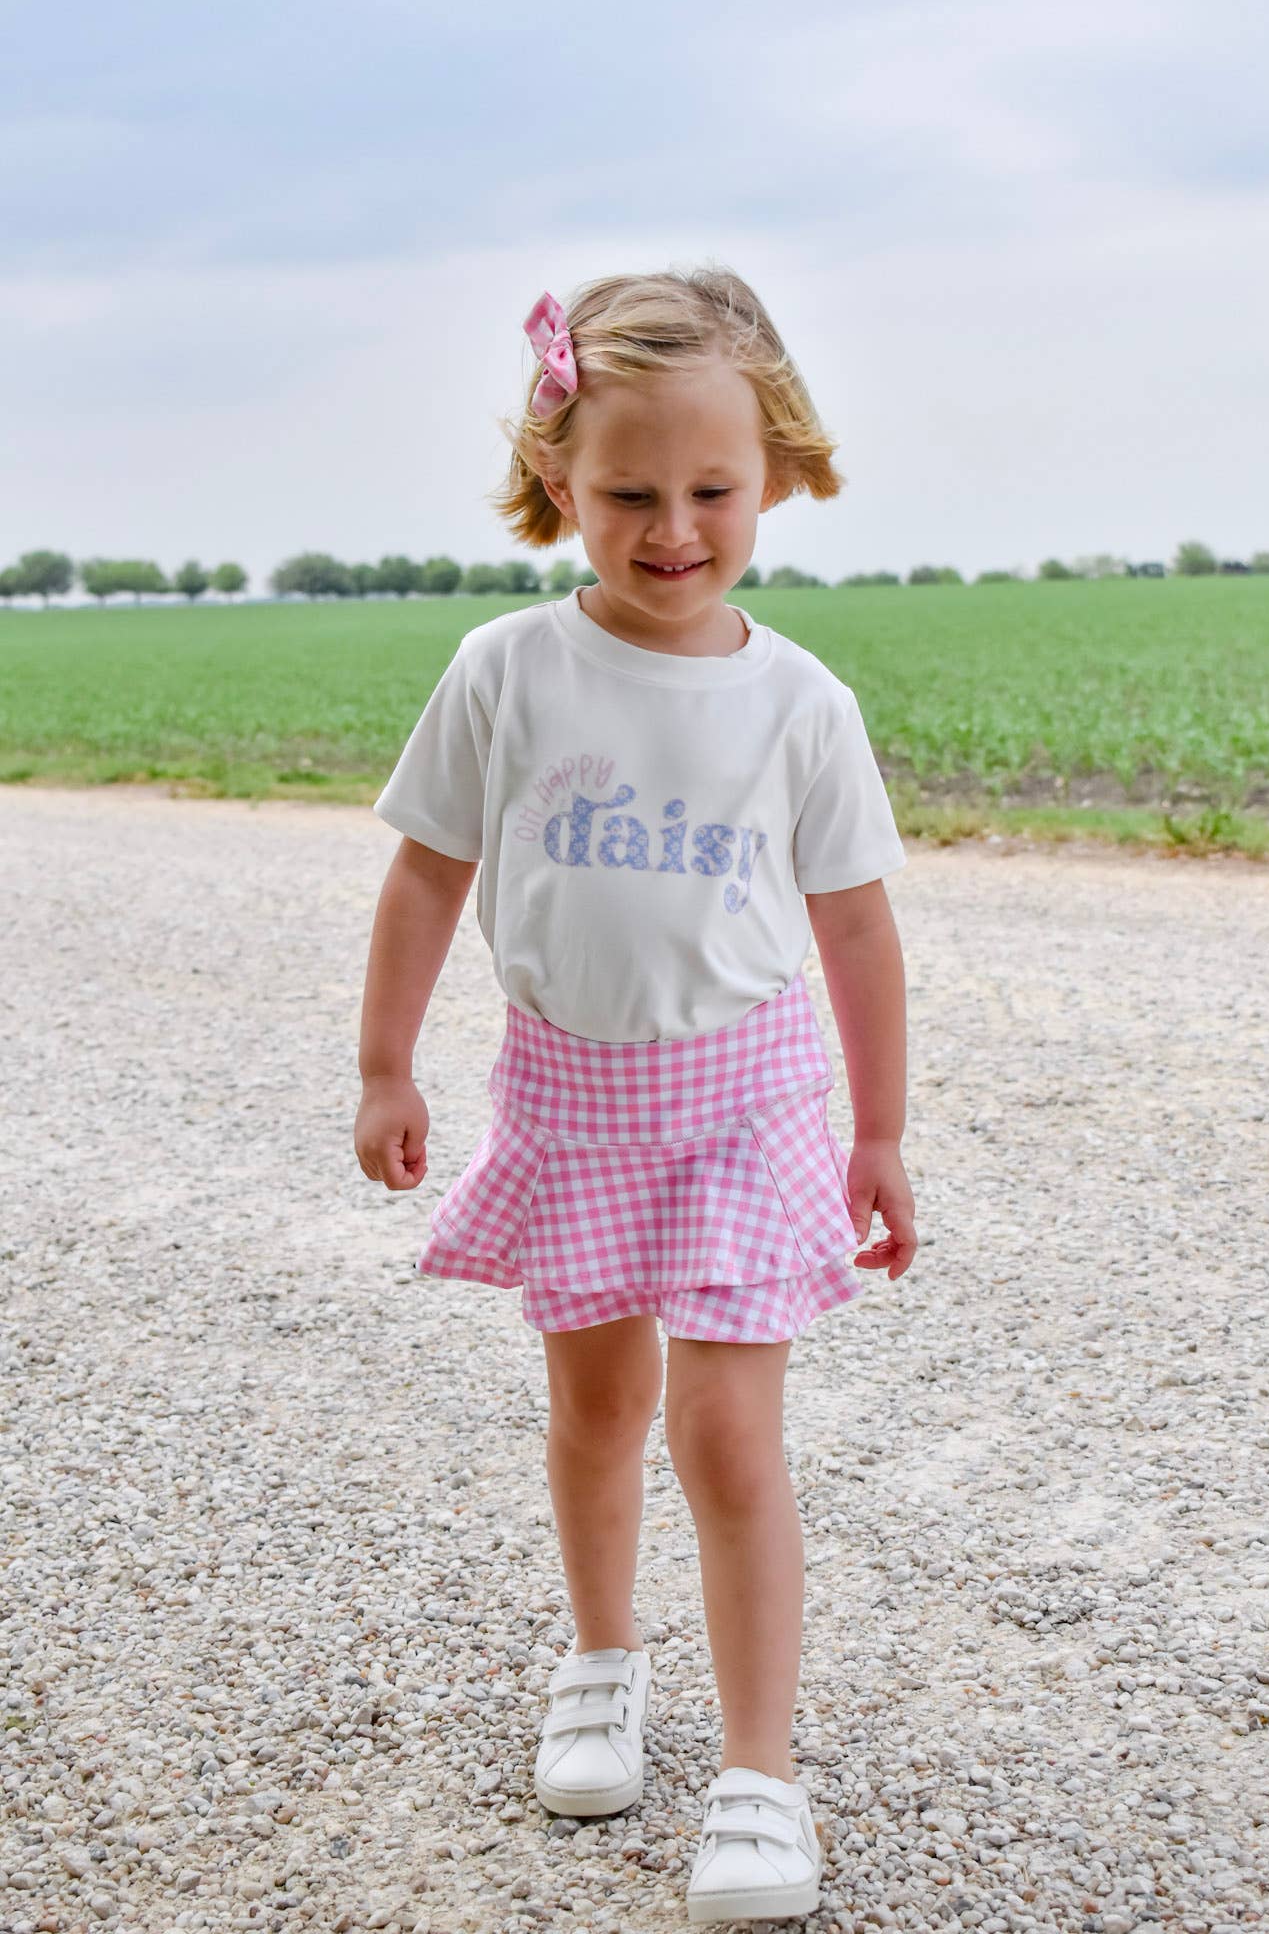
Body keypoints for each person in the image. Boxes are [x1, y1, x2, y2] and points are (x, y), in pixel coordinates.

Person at [354, 266, 918, 1926]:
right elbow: (423, 876)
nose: (671, 527)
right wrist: (385, 1062)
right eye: (626, 493)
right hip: (569, 1100)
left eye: (709, 491)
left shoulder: (799, 704)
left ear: (778, 475)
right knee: (596, 1414)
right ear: (558, 483)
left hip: (748, 1107)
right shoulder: (507, 671)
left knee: (729, 1436)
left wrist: (875, 1132)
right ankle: (602, 1659)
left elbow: (856, 925)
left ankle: (759, 1773)